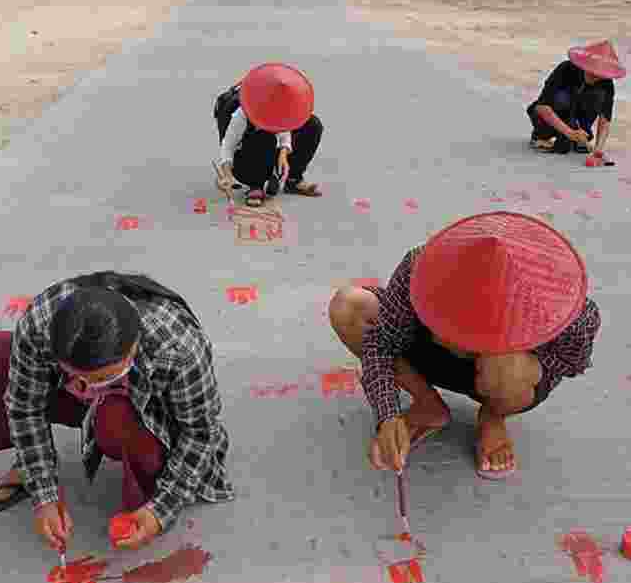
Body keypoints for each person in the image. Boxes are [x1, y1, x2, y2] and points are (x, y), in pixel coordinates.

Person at [0, 271, 233, 553]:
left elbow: (200, 433)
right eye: (74, 376)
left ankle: (146, 490)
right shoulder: (42, 321)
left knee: (116, 419)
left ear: (133, 351)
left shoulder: (177, 348)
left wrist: (161, 511)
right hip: (87, 386)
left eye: (105, 377)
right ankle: (28, 471)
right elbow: (24, 406)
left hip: (139, 409)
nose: (86, 389)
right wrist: (44, 494)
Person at [329, 212, 601, 479]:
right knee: (348, 306)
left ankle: (492, 417)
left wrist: (518, 358)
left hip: (498, 376)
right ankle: (428, 406)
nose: (454, 339)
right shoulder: (419, 267)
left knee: (508, 368)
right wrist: (387, 414)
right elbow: (382, 343)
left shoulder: (569, 311)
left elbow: (569, 364)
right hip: (421, 352)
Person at [213, 63, 323, 208]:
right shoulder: (243, 113)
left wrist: (284, 154)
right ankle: (256, 185)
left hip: (271, 151)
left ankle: (292, 180)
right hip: (247, 160)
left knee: (312, 124)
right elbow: (228, 146)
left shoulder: (282, 106)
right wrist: (226, 175)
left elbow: (286, 129)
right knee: (264, 137)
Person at [527, 40, 626, 159]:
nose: (594, 76)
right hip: (555, 114)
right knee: (561, 99)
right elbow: (542, 107)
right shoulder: (565, 69)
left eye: (599, 74)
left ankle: (578, 137)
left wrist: (598, 149)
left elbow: (605, 119)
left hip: (577, 120)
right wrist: (570, 133)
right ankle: (540, 136)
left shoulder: (606, 83)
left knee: (597, 97)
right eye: (591, 71)